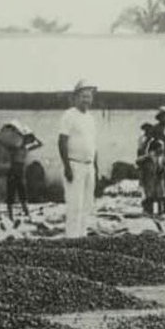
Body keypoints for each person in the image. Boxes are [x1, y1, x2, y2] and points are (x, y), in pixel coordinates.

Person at [58, 80, 98, 238]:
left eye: (89, 97)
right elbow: (62, 141)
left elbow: (93, 144)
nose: (86, 100)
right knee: (75, 205)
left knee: (87, 205)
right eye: (83, 96)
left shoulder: (91, 118)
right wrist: (67, 167)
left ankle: (82, 237)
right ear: (75, 97)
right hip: (74, 165)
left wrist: (95, 166)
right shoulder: (69, 115)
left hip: (89, 167)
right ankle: (72, 239)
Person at [0, 122, 42, 222]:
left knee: (23, 193)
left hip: (20, 172)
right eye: (26, 140)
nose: (27, 141)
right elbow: (3, 143)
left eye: (28, 140)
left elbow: (40, 144)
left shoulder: (26, 148)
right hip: (13, 172)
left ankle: (27, 214)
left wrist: (32, 136)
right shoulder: (14, 148)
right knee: (11, 194)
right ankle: (10, 216)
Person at [138, 106, 165, 213]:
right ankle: (155, 208)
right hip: (157, 159)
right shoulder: (155, 129)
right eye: (163, 116)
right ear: (159, 117)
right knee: (157, 186)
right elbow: (146, 143)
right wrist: (145, 157)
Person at [148, 137, 165, 216]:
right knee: (159, 195)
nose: (162, 148)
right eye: (160, 146)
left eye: (163, 146)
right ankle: (159, 210)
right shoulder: (153, 156)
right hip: (158, 178)